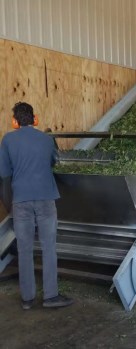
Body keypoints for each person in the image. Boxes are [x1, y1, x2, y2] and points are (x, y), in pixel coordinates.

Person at [0, 102, 73, 310]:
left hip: (20, 200)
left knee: (24, 250)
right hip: (45, 198)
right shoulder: (46, 139)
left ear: (15, 122)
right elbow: (52, 162)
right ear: (35, 119)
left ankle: (27, 299)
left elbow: (4, 173)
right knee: (49, 247)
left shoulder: (7, 140)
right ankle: (51, 296)